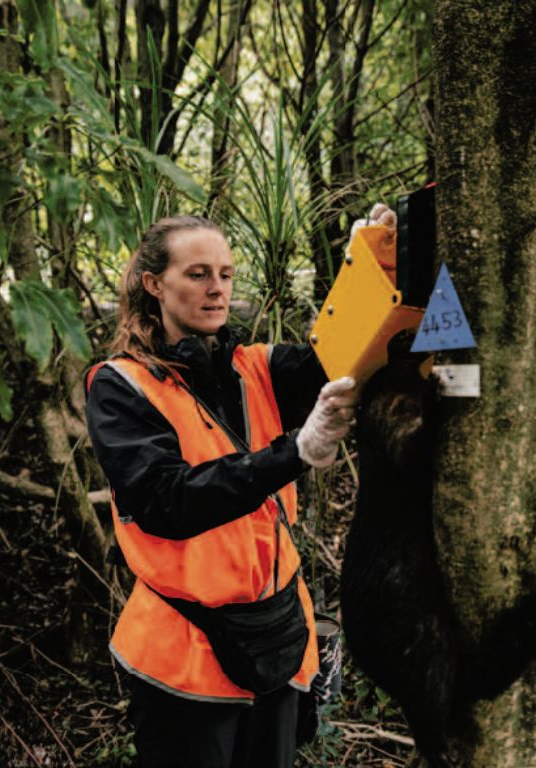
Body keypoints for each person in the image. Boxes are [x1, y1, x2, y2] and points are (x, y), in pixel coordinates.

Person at [84, 208, 392, 768]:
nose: (217, 288)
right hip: (185, 652)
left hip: (277, 637)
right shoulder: (119, 386)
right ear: (155, 284)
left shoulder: (255, 367)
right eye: (198, 274)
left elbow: (340, 356)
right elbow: (166, 501)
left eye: (225, 274)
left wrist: (372, 264)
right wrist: (294, 453)